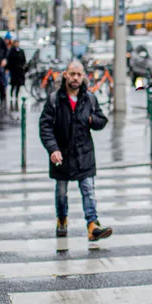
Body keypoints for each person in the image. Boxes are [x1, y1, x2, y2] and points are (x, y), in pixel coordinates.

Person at [39, 60, 113, 243]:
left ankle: (92, 225)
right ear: (65, 74)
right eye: (72, 74)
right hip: (61, 155)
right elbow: (45, 127)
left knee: (88, 190)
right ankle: (62, 219)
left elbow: (101, 120)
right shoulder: (55, 99)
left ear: (84, 77)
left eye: (79, 75)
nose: (75, 78)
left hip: (84, 154)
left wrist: (91, 119)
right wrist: (53, 149)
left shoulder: (89, 98)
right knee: (61, 193)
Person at [6, 38, 27, 109]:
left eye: (17, 43)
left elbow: (24, 60)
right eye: (15, 43)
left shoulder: (21, 51)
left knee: (18, 84)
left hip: (19, 71)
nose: (16, 44)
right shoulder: (11, 51)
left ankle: (16, 96)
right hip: (13, 70)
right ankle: (12, 95)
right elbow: (9, 60)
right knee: (13, 84)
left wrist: (23, 67)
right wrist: (8, 68)